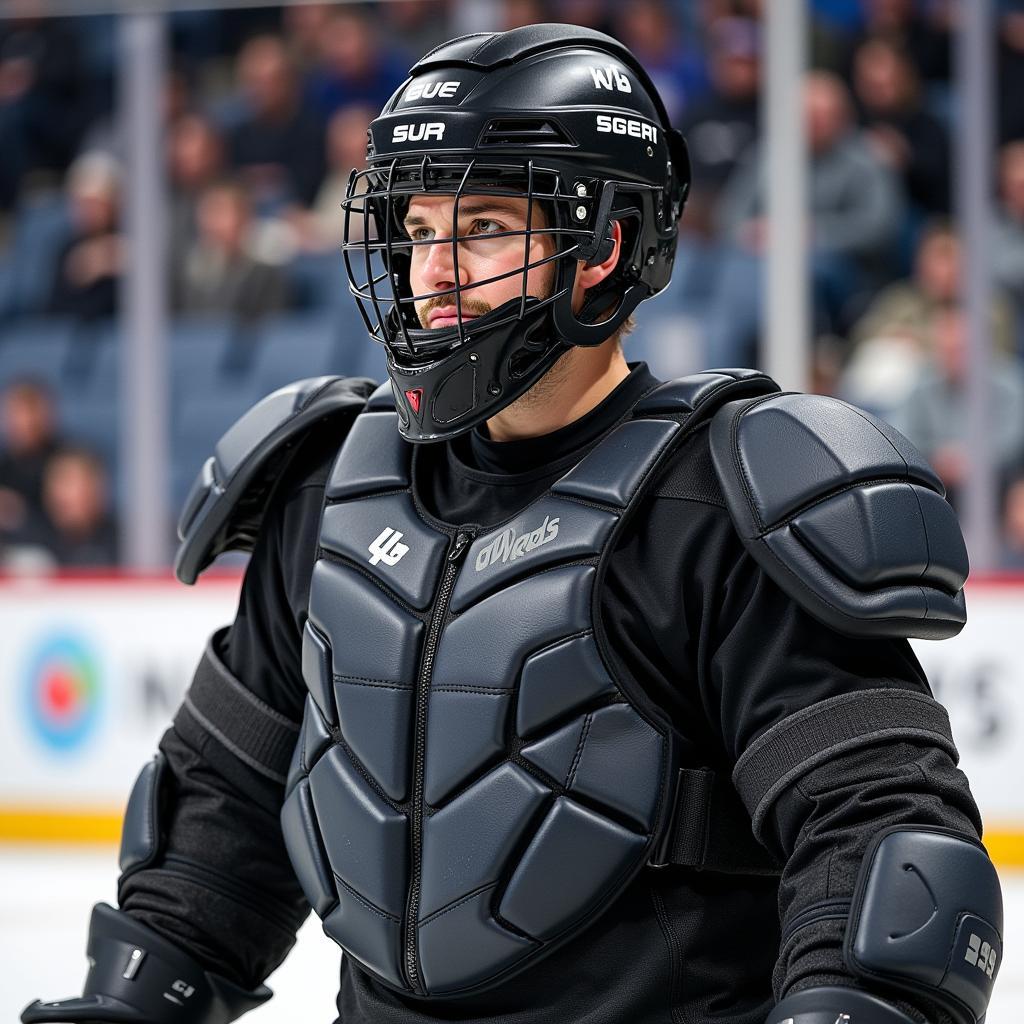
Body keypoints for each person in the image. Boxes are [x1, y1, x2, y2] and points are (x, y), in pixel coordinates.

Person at [23, 25, 1002, 1024]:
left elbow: (878, 839)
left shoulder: (725, 502)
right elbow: (222, 814)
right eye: (416, 228)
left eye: (483, 227)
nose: (433, 270)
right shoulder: (325, 488)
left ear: (605, 244)